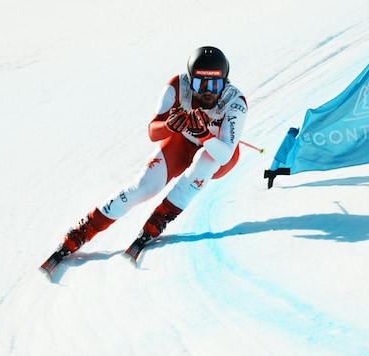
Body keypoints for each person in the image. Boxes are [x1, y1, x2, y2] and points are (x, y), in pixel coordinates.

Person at [41, 46, 248, 274]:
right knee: (145, 187)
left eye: (215, 85)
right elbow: (153, 132)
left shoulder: (235, 102)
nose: (208, 92)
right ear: (190, 81)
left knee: (206, 160)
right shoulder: (177, 87)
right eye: (200, 84)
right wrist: (169, 125)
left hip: (216, 153)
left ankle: (160, 218)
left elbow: (225, 155)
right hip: (182, 143)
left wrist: (205, 135)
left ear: (225, 83)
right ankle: (84, 230)